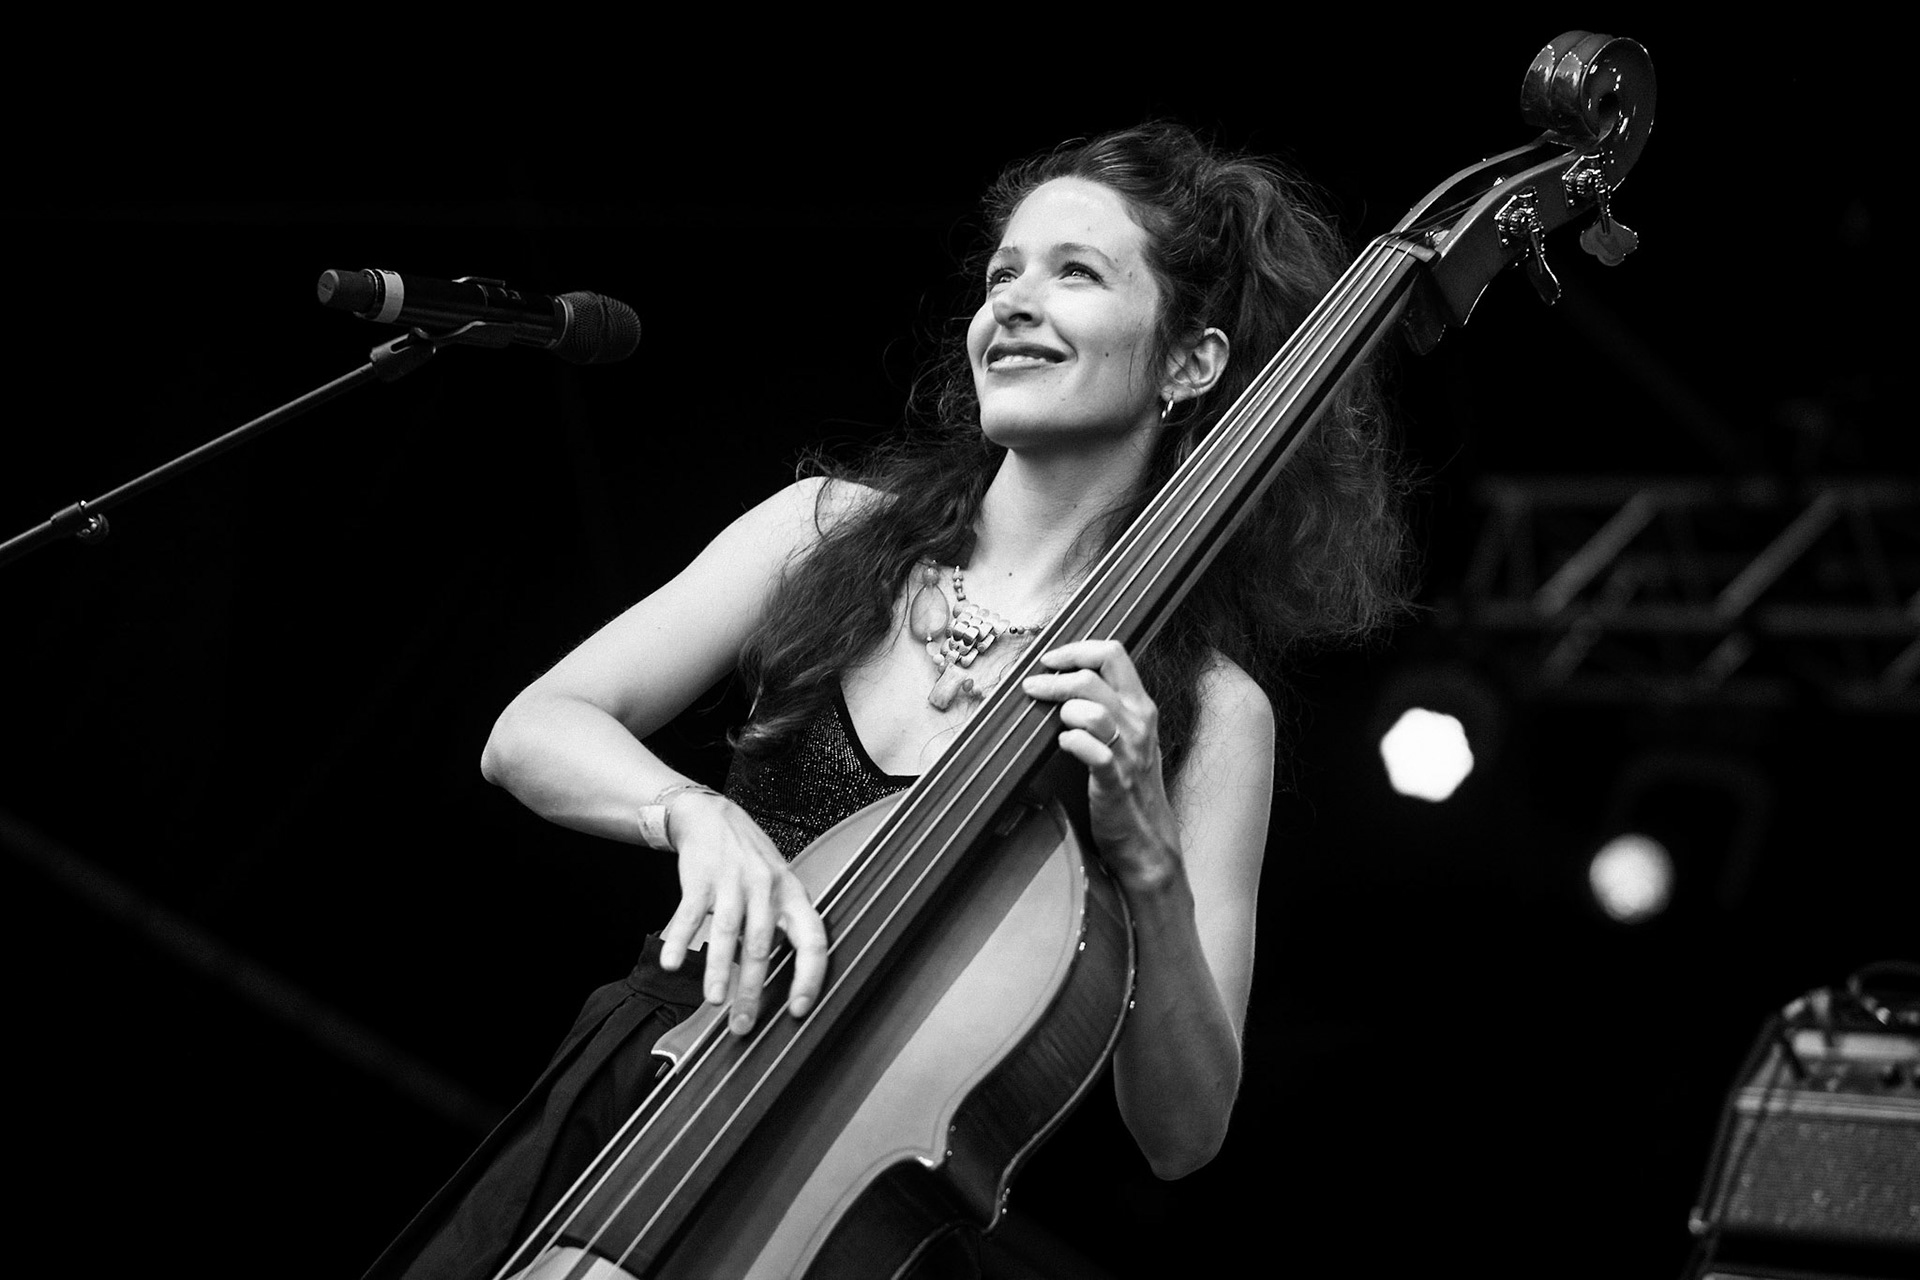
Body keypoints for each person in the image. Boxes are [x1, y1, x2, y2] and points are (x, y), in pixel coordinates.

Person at [365, 120, 1409, 1279]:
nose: (1012, 300)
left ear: (1189, 362)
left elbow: (1185, 1130)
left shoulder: (1211, 711)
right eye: (1003, 270)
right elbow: (532, 729)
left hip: (833, 1229)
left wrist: (1150, 863)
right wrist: (688, 810)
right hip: (632, 1114)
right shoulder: (826, 526)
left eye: (1076, 272)